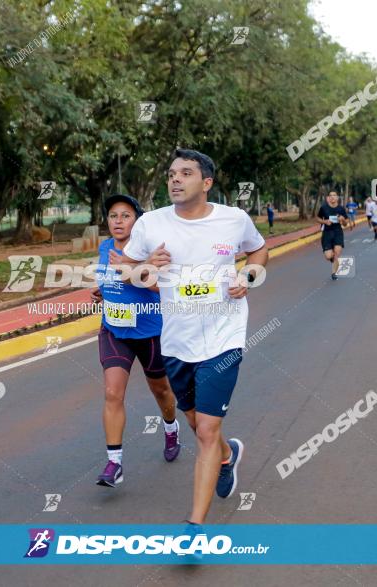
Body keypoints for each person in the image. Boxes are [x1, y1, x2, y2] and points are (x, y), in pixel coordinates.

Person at [113, 149, 268, 535]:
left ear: (207, 183)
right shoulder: (151, 223)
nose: (175, 179)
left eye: (185, 173)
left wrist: (248, 276)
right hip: (176, 342)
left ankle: (194, 528)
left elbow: (259, 249)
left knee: (205, 433)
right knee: (198, 421)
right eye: (171, 173)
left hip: (223, 336)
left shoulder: (234, 220)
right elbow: (125, 270)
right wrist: (148, 264)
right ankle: (228, 456)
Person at [89, 194, 180, 488]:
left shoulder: (150, 252)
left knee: (162, 390)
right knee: (113, 393)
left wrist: (130, 272)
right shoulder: (105, 248)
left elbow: (160, 288)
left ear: (137, 220)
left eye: (125, 215)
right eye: (113, 215)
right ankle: (114, 464)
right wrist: (103, 291)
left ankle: (171, 426)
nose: (118, 221)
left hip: (149, 331)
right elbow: (108, 278)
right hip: (114, 331)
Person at [317, 191, 349, 280]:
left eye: (334, 195)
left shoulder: (341, 209)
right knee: (328, 256)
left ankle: (334, 273)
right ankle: (332, 259)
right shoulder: (324, 208)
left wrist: (342, 219)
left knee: (337, 253)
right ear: (328, 198)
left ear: (337, 198)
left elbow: (346, 223)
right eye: (330, 195)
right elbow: (317, 218)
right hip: (327, 233)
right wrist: (325, 222)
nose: (332, 197)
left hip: (338, 232)